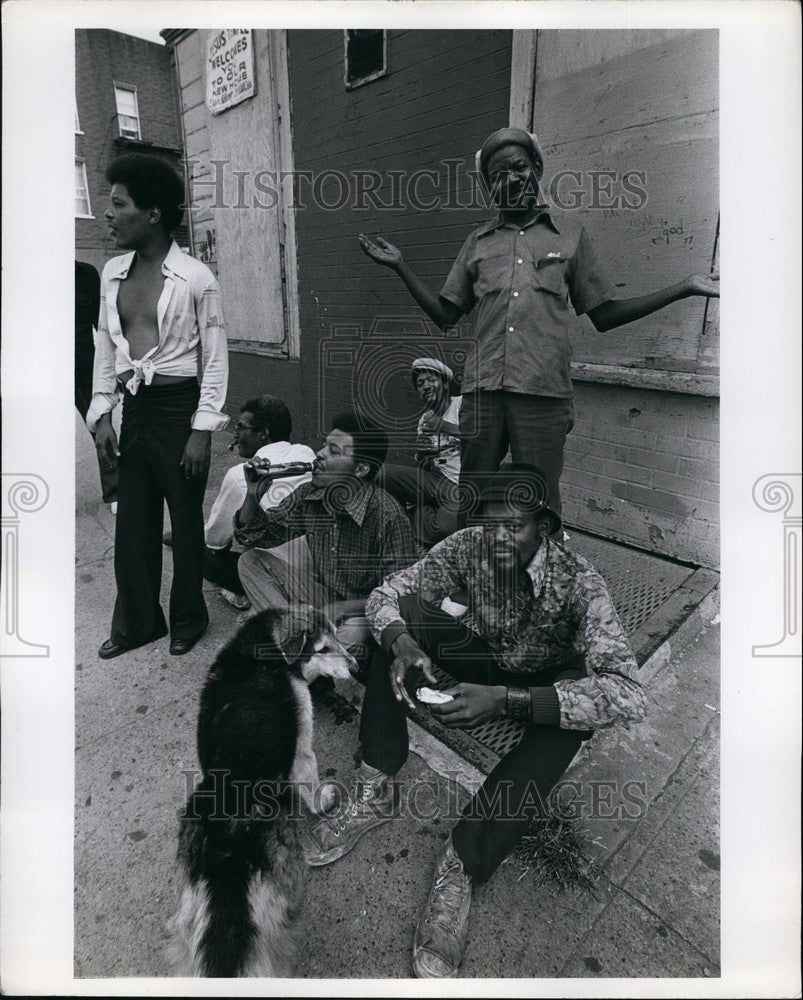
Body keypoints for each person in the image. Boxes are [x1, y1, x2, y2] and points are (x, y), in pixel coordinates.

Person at [304, 464, 646, 978]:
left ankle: (464, 863)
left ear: (544, 528)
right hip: (484, 653)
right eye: (491, 524)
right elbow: (388, 593)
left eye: (515, 527)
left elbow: (628, 694)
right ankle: (375, 786)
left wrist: (508, 701)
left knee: (572, 721)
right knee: (395, 629)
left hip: (539, 678)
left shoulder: (581, 584)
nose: (499, 539)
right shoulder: (469, 546)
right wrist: (403, 642)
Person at [359, 125, 720, 522]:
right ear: (490, 188)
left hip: (543, 395)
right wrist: (401, 267)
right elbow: (446, 314)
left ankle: (541, 580)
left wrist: (684, 288)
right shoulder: (477, 243)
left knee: (540, 504)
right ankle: (474, 576)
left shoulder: (571, 237)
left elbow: (605, 315)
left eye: (517, 167)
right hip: (483, 395)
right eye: (497, 175)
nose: (510, 179)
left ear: (536, 167)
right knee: (473, 499)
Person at [87, 153, 229, 659]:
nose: (108, 214)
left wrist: (202, 430)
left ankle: (189, 617)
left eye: (118, 204)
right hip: (135, 410)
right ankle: (139, 623)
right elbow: (105, 347)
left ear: (152, 214)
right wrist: (101, 412)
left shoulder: (196, 278)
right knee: (133, 524)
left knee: (185, 523)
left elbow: (214, 359)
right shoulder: (111, 274)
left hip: (179, 409)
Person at [234, 412, 416, 659]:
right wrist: (253, 494)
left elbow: (400, 597)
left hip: (364, 611)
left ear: (361, 469)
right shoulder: (310, 494)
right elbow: (257, 537)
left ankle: (294, 654)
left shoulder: (388, 517)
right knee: (250, 561)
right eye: (323, 446)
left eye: (334, 451)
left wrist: (342, 608)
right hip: (325, 598)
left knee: (352, 634)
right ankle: (296, 645)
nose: (320, 454)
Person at [202, 395, 315, 610]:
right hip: (310, 567)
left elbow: (215, 541)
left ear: (263, 433)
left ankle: (244, 592)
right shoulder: (305, 452)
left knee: (196, 553)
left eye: (241, 427)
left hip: (275, 572)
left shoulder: (238, 475)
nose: (236, 432)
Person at [378, 357, 462, 546]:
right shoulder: (424, 419)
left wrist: (442, 425)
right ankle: (403, 519)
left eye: (432, 380)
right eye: (420, 383)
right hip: (433, 478)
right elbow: (422, 466)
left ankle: (413, 516)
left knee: (443, 529)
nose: (425, 386)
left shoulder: (461, 405)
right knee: (380, 474)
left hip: (458, 484)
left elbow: (479, 438)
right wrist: (422, 453)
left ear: (446, 385)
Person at [75, 260, 118, 508]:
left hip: (82, 368)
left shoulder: (86, 273)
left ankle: (116, 492)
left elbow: (102, 326)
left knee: (101, 427)